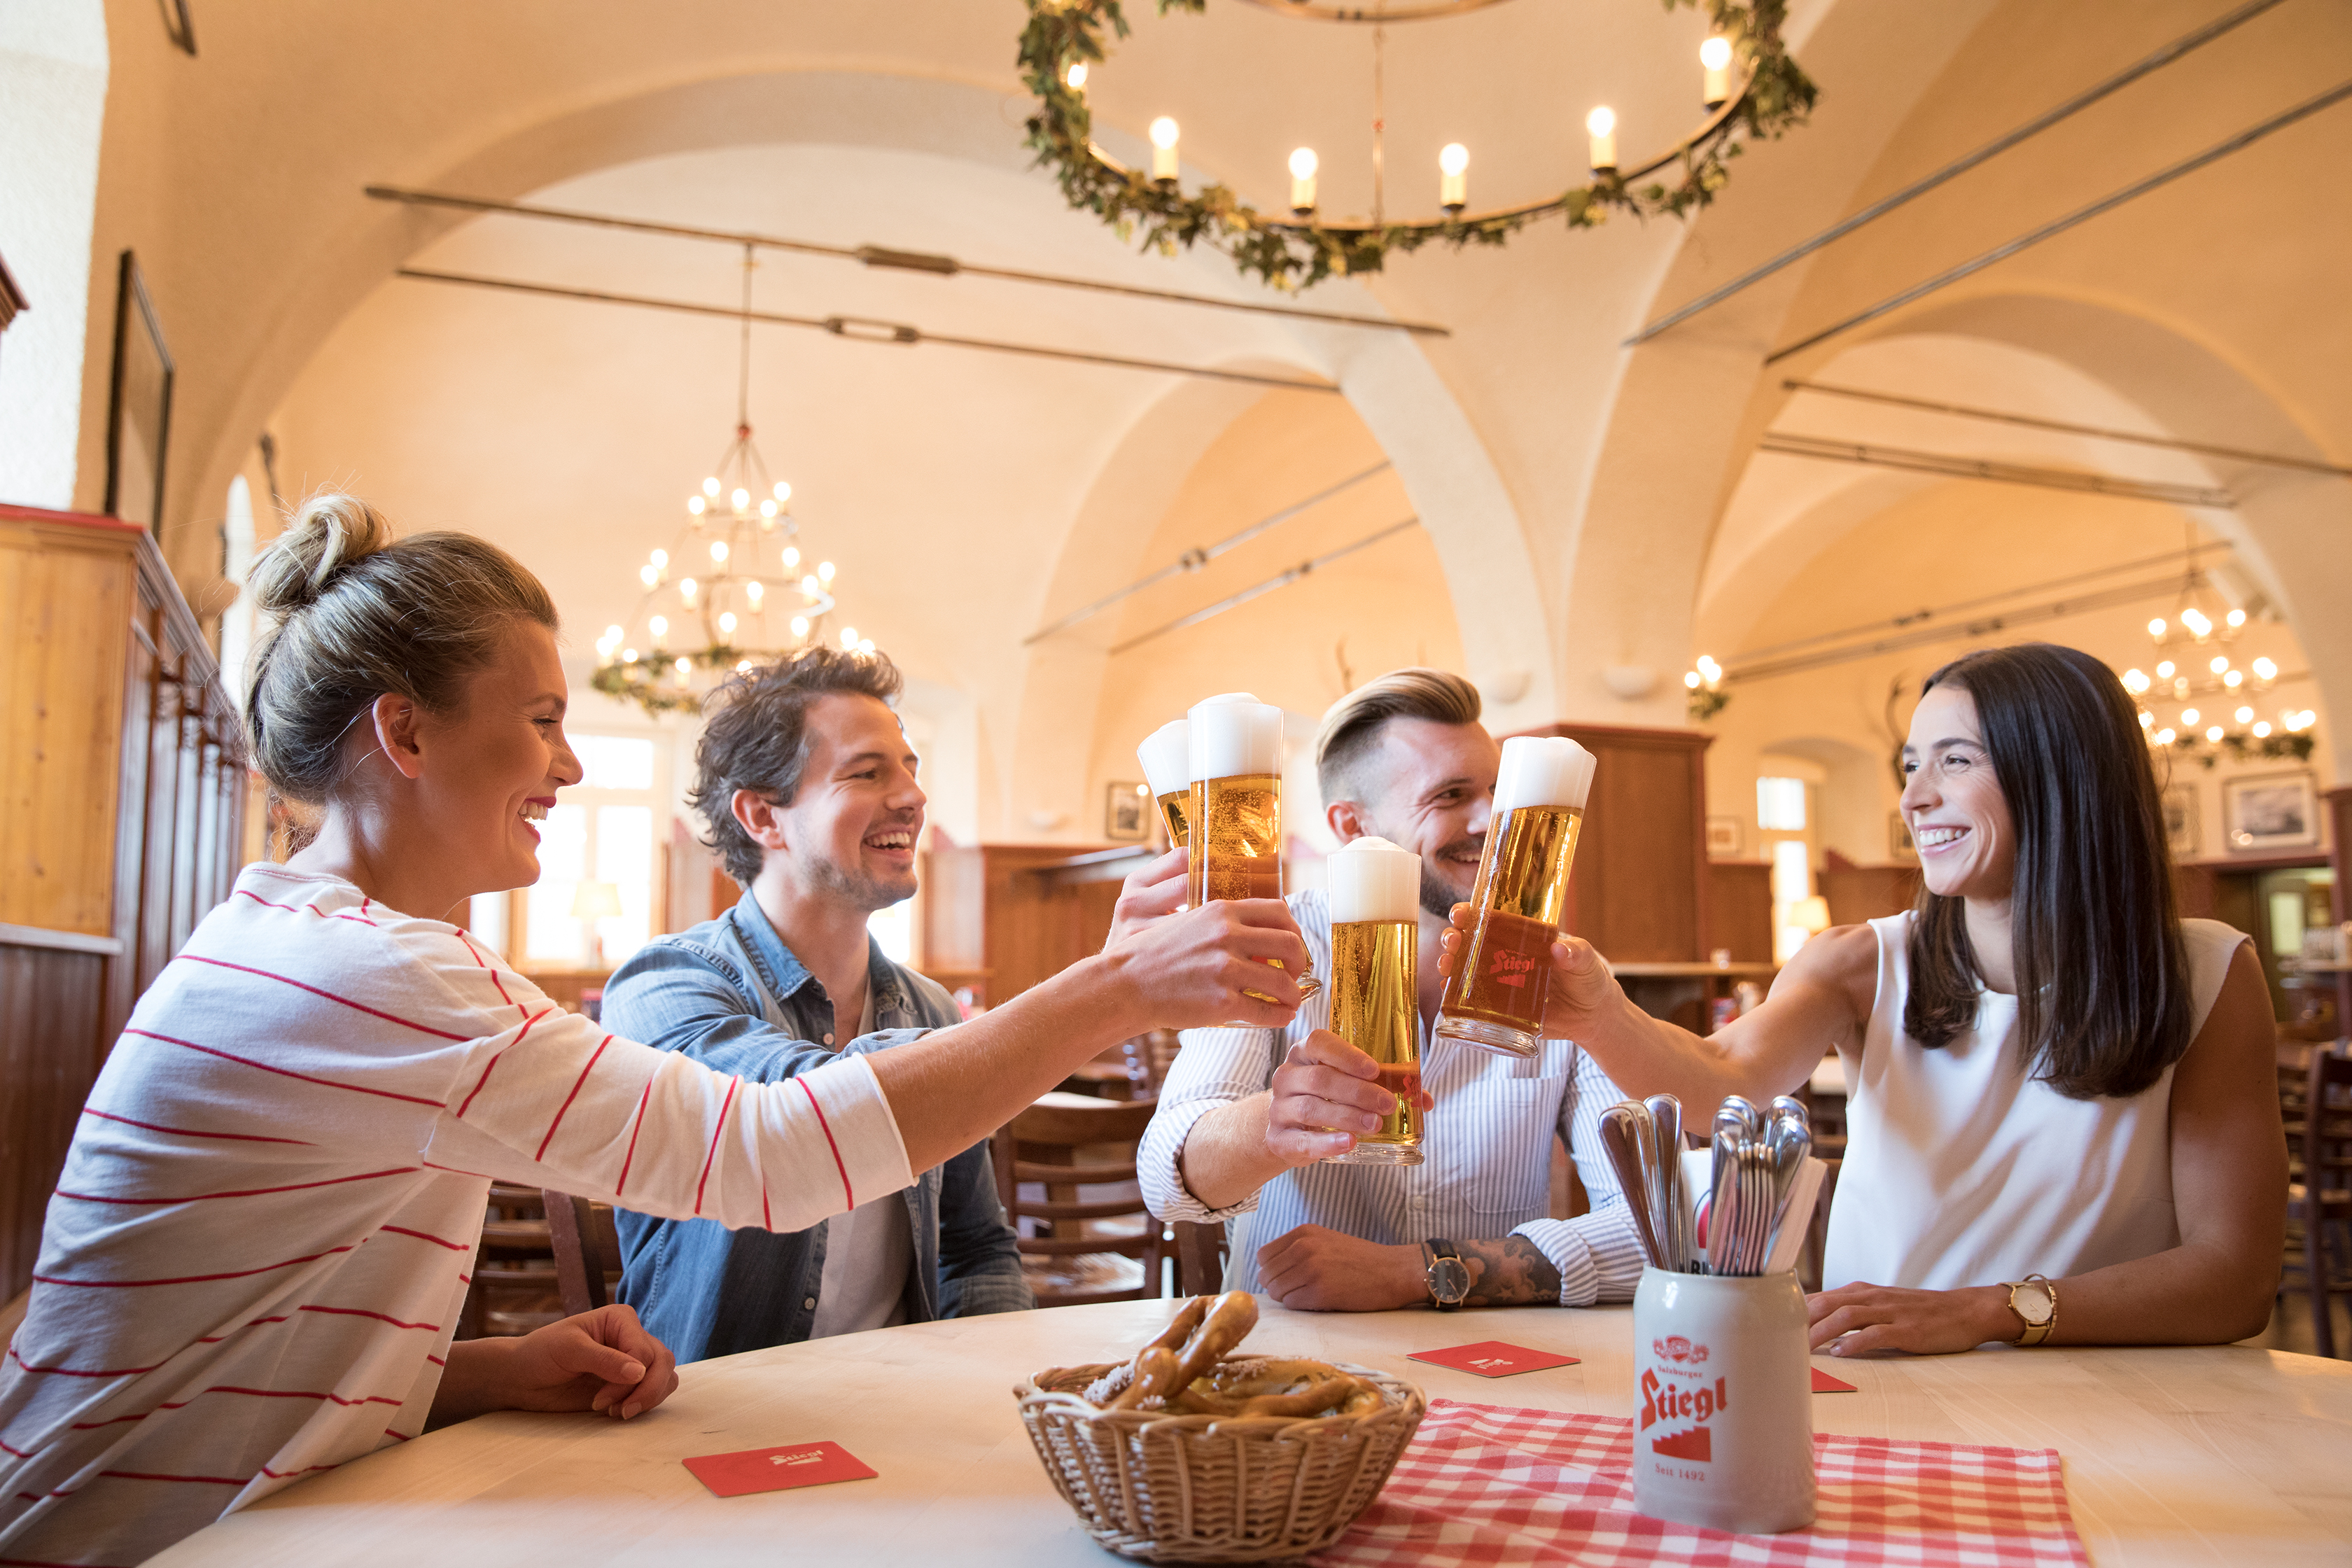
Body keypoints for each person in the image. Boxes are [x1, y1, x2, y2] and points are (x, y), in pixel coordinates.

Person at [0, 496, 1309, 1567]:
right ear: (403, 731)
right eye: (544, 720)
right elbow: (775, 1157)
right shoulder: (372, 976)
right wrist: (1115, 988)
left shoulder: (311, 944)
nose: (570, 768)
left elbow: (239, 1346)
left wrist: (482, 1369)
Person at [1444, 643, 2286, 1354]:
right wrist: (1600, 1014)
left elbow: (2234, 1276)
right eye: (1911, 765)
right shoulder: (1863, 961)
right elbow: (1723, 1078)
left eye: (1955, 760)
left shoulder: (2207, 970)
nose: (1915, 797)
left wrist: (1985, 1309)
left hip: (2128, 1391)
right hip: (1888, 1380)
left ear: (2065, 774)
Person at [1138, 669, 1647, 1312]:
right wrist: (1276, 1121)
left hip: (1498, 1362)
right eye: (1452, 795)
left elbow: (1656, 1222)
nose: (1493, 816)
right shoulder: (1268, 942)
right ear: (1353, 826)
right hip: (1297, 1365)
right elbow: (1168, 1173)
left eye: (1499, 788)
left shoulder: (1565, 977)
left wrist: (1421, 1271)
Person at [601, 651, 1030, 1361]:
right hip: (716, 1416)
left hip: (902, 1407)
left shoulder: (930, 1010)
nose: (915, 797)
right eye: (868, 771)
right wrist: (1092, 994)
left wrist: (991, 1386)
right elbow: (806, 1111)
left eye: (911, 766)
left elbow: (975, 1246)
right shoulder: (663, 983)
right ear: (763, 814)